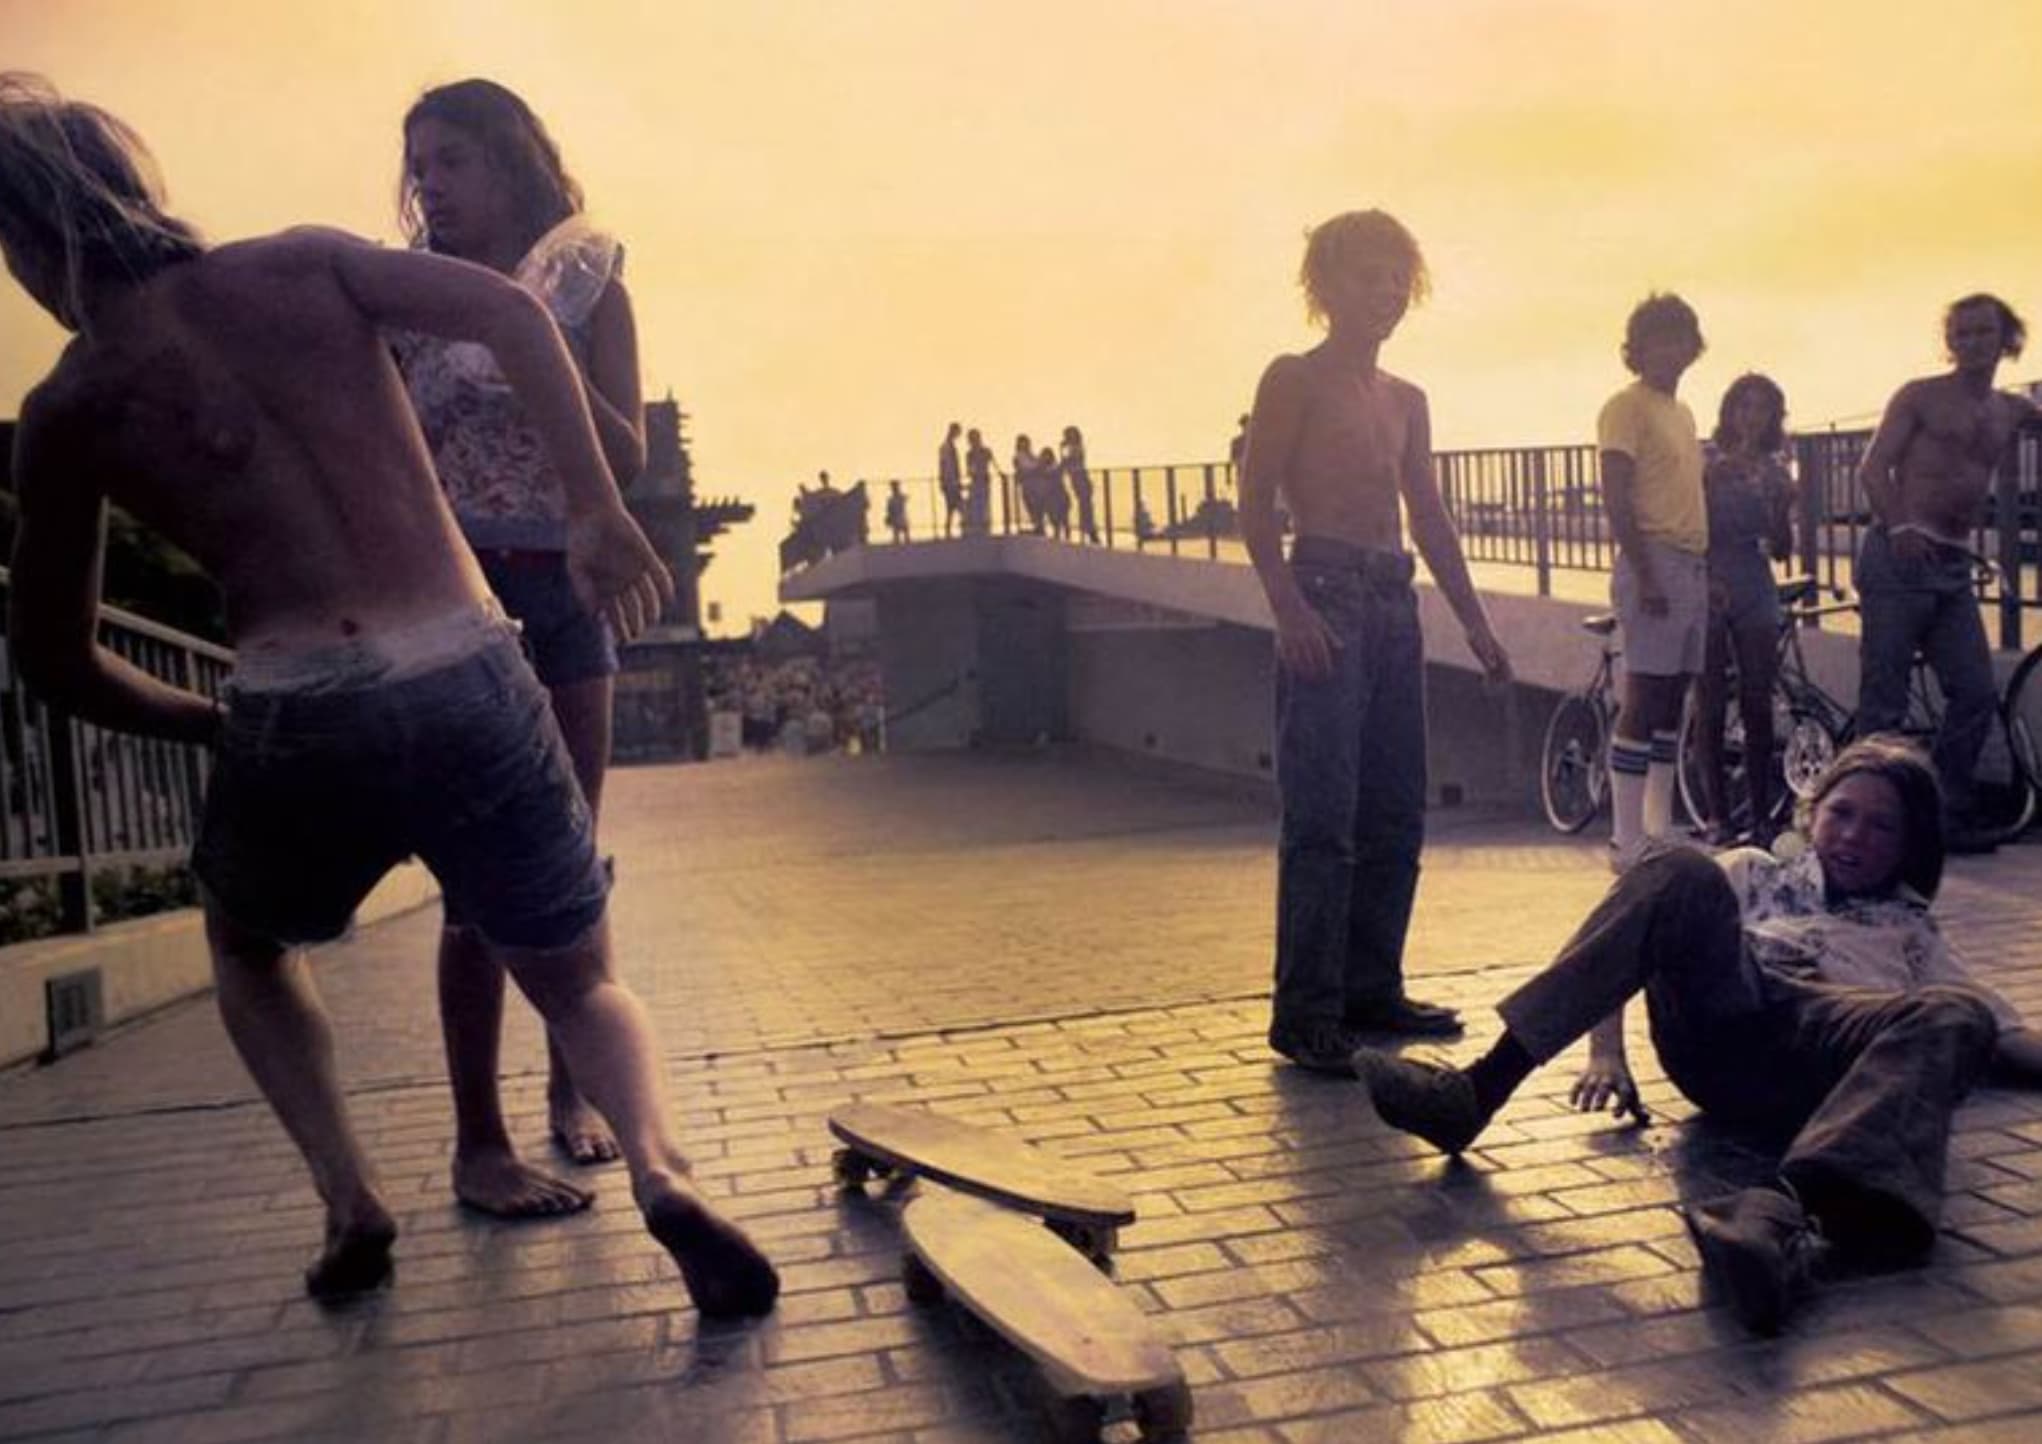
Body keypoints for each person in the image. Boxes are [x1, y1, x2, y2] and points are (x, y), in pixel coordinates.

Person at [0, 74, 779, 1315]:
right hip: (464, 661)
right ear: (136, 185)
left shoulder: (69, 409)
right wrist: (591, 506)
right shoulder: (306, 267)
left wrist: (205, 718)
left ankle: (350, 1194)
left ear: (27, 240)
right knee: (577, 972)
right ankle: (661, 1166)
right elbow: (517, 322)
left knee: (249, 947)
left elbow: (52, 656)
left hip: (295, 700)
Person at [1354, 737, 2039, 1335]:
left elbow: (2007, 1034)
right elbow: (1642, 925)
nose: (1855, 837)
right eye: (1843, 814)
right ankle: (1475, 1092)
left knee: (1958, 1012)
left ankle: (1776, 1217)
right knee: (1679, 868)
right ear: (1813, 813)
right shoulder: (1753, 871)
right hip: (1725, 1018)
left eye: (1883, 827)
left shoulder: (1916, 932)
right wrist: (1607, 1053)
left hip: (1820, 1061)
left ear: (1912, 846)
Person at [396, 78, 641, 1218]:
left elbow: (628, 454)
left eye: (453, 161)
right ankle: (477, 1138)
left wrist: (540, 342)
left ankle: (570, 1094)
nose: (431, 186)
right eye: (420, 165)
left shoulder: (589, 285)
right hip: (457, 598)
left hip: (560, 583)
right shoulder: (406, 298)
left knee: (568, 866)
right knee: (470, 883)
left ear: (511, 163)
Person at [1240, 209, 1514, 1073]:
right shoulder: (1293, 378)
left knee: (1395, 808)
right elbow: (1253, 504)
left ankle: (1372, 989)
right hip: (1324, 593)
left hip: (1395, 607)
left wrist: (1474, 623)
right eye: (1368, 274)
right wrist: (1288, 611)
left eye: (1399, 276)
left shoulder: (1407, 401)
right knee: (1322, 815)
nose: (1387, 291)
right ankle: (1307, 1013)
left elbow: (1427, 517)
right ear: (1326, 284)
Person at [1855, 294, 2041, 853]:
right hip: (1899, 559)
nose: (1971, 343)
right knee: (1885, 701)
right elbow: (1872, 467)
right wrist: (1900, 527)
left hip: (1954, 566)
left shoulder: (2008, 409)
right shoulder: (1920, 397)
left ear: (2006, 339)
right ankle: (1872, 824)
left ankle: (1943, 809)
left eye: (1984, 333)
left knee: (1976, 692)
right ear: (1950, 342)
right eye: (1961, 334)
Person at [1599, 294, 1710, 870]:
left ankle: (1657, 825)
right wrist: (1643, 572)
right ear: (1637, 348)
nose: (1672, 350)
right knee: (1643, 695)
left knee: (1674, 698)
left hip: (1692, 562)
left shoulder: (1683, 412)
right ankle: (1625, 838)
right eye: (1659, 338)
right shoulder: (1626, 407)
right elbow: (1615, 494)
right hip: (1653, 561)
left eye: (1681, 337)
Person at [1694, 374, 1796, 845]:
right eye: (1743, 407)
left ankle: (1761, 815)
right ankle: (1717, 815)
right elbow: (1694, 529)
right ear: (1729, 412)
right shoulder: (1707, 464)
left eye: (1761, 409)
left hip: (1756, 579)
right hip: (1712, 577)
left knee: (1758, 700)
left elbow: (1780, 549)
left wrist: (1779, 505)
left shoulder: (1777, 469)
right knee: (1711, 697)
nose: (1750, 417)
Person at [1061, 425, 1099, 544]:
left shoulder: (1076, 448)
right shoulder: (1075, 448)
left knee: (1085, 506)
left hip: (1080, 479)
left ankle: (1090, 531)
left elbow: (1067, 463)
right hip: (1079, 480)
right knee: (1085, 506)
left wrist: (1061, 450)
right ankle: (1089, 530)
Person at [964, 426, 997, 536]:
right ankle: (977, 527)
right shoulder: (970, 454)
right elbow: (969, 469)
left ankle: (985, 526)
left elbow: (994, 464)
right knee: (976, 504)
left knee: (984, 504)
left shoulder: (986, 451)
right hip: (976, 481)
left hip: (984, 480)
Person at [938, 421, 963, 537]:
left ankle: (948, 529)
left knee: (952, 507)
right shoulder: (946, 447)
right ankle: (950, 529)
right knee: (955, 506)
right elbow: (944, 465)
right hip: (950, 482)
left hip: (951, 481)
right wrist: (946, 481)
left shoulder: (948, 446)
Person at [885, 479, 911, 543]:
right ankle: (900, 542)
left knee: (904, 530)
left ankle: (905, 541)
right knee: (898, 532)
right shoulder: (891, 499)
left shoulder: (897, 498)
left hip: (900, 515)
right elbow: (889, 509)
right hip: (896, 516)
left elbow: (906, 498)